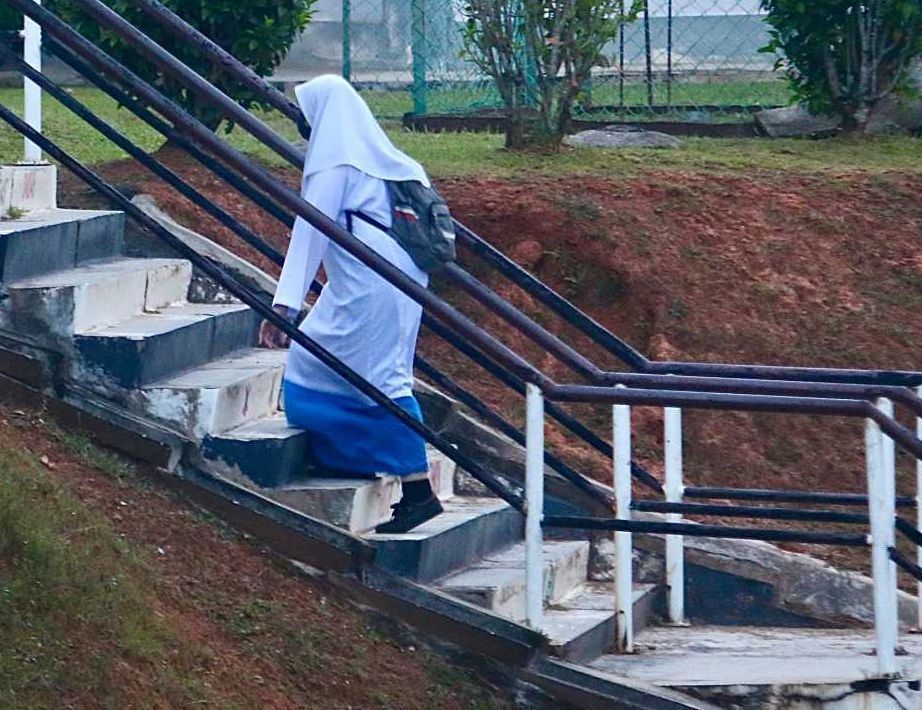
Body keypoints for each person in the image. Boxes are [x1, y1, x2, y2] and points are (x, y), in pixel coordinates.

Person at [259, 74, 441, 533]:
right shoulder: (397, 163)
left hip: (367, 289)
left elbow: (311, 231)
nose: (305, 127)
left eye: (308, 116)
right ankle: (351, 457)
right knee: (347, 367)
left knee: (361, 376)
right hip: (403, 286)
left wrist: (284, 305)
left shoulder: (334, 163)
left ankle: (418, 489)